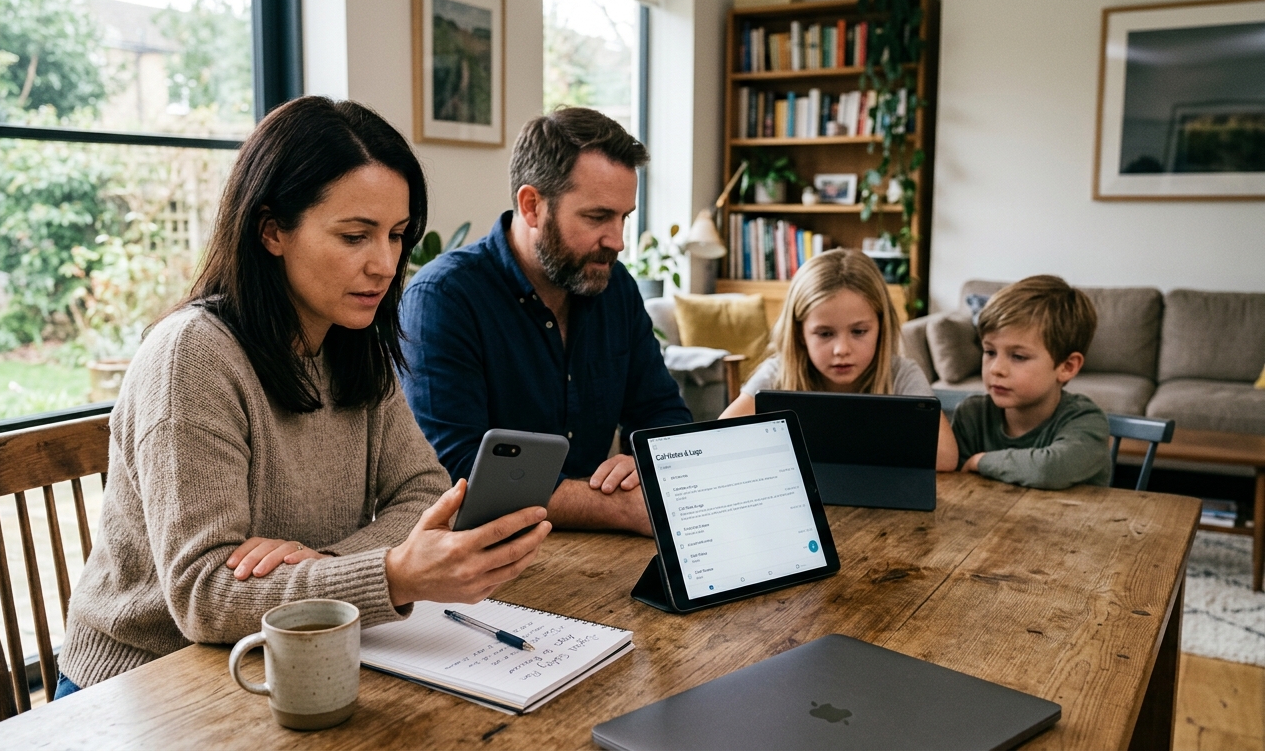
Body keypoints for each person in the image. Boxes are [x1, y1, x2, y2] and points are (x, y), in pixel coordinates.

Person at [56, 98, 551, 695]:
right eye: (354, 236)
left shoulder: (352, 342)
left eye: (397, 236)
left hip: (294, 654)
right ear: (272, 231)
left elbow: (423, 493)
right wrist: (390, 574)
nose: (386, 264)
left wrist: (323, 564)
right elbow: (204, 596)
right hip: (148, 682)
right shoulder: (192, 355)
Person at [399, 108, 692, 537]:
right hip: (486, 553)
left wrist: (647, 461)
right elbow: (456, 472)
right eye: (597, 217)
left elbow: (663, 413)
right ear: (532, 206)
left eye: (624, 217)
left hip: (598, 548)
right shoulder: (443, 298)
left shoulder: (615, 287)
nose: (618, 241)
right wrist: (618, 507)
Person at [720, 248, 959, 471]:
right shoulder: (777, 373)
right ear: (800, 333)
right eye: (825, 334)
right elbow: (721, 441)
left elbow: (946, 456)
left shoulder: (901, 374)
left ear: (881, 327)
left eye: (859, 332)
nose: (842, 350)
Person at [953, 275, 1112, 489]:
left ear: (1067, 367)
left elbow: (1049, 469)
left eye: (1018, 356)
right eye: (990, 352)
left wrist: (981, 461)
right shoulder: (971, 415)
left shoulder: (1086, 420)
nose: (996, 369)